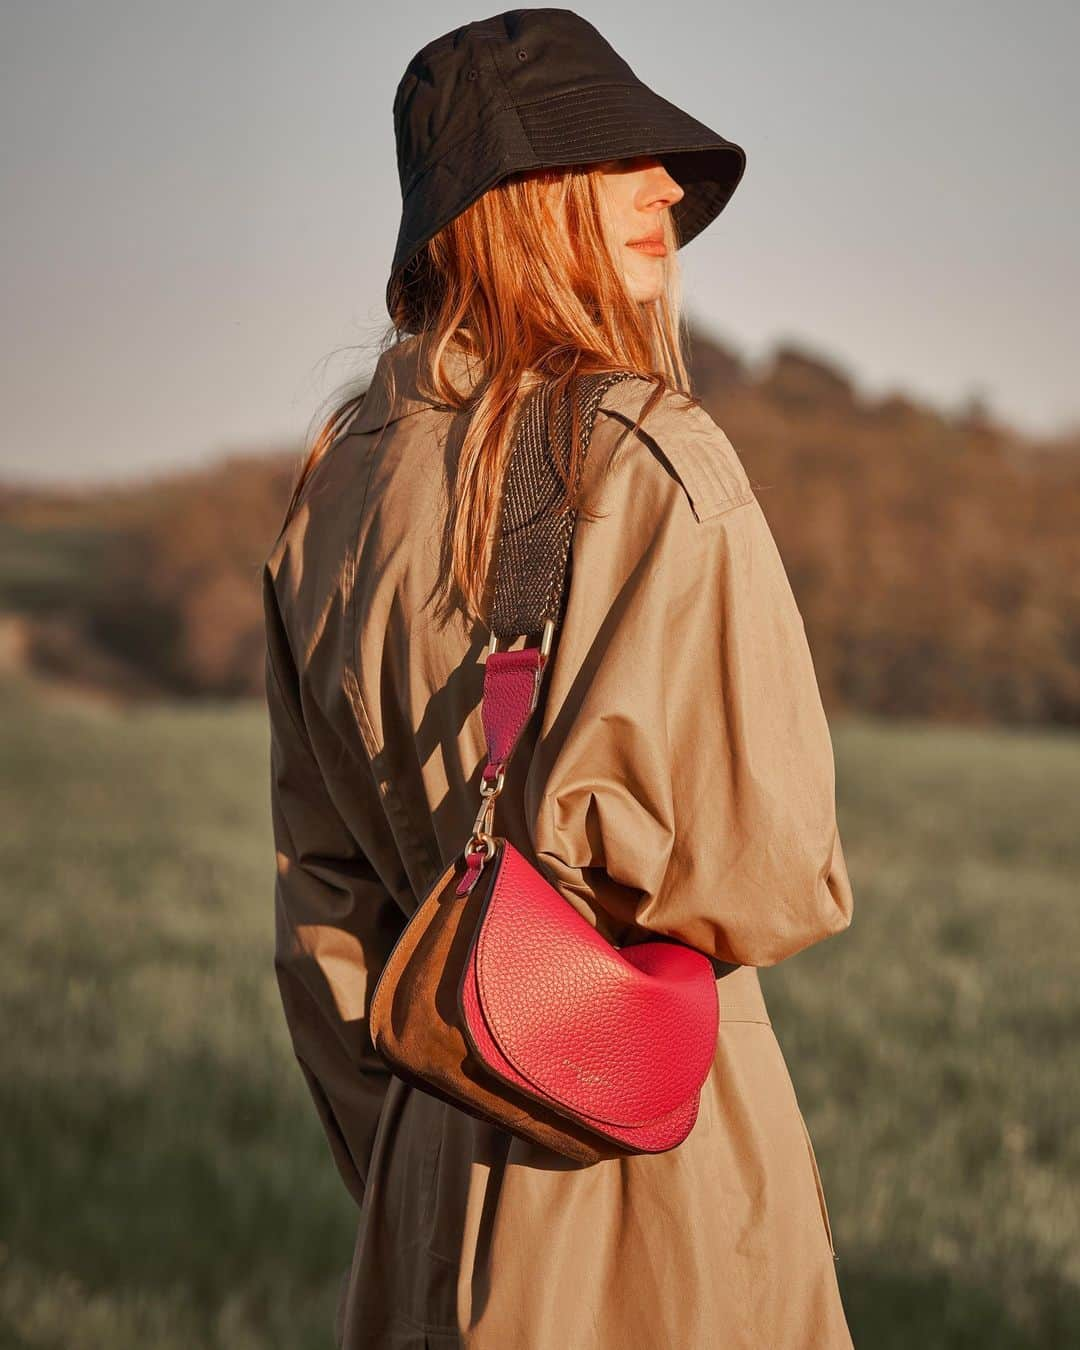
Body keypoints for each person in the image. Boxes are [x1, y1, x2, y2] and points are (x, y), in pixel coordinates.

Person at [262, 10, 855, 1348]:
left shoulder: (329, 497)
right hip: (648, 1168)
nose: (664, 187)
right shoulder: (646, 454)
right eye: (616, 155)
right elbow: (774, 867)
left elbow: (324, 935)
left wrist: (428, 1164)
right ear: (516, 202)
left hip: (424, 1166)